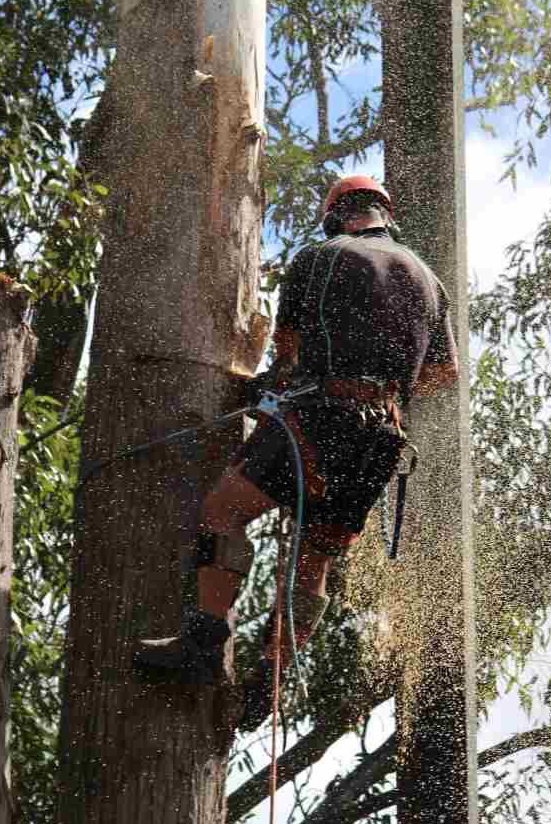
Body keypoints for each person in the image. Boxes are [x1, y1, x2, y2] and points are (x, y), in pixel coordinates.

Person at [133, 174, 460, 729]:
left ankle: (204, 644)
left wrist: (288, 386)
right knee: (314, 559)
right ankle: (272, 679)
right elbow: (444, 373)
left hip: (319, 418)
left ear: (337, 215)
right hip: (380, 438)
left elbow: (288, 351)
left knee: (225, 510)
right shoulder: (428, 280)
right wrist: (383, 387)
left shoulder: (321, 257)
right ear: (385, 215)